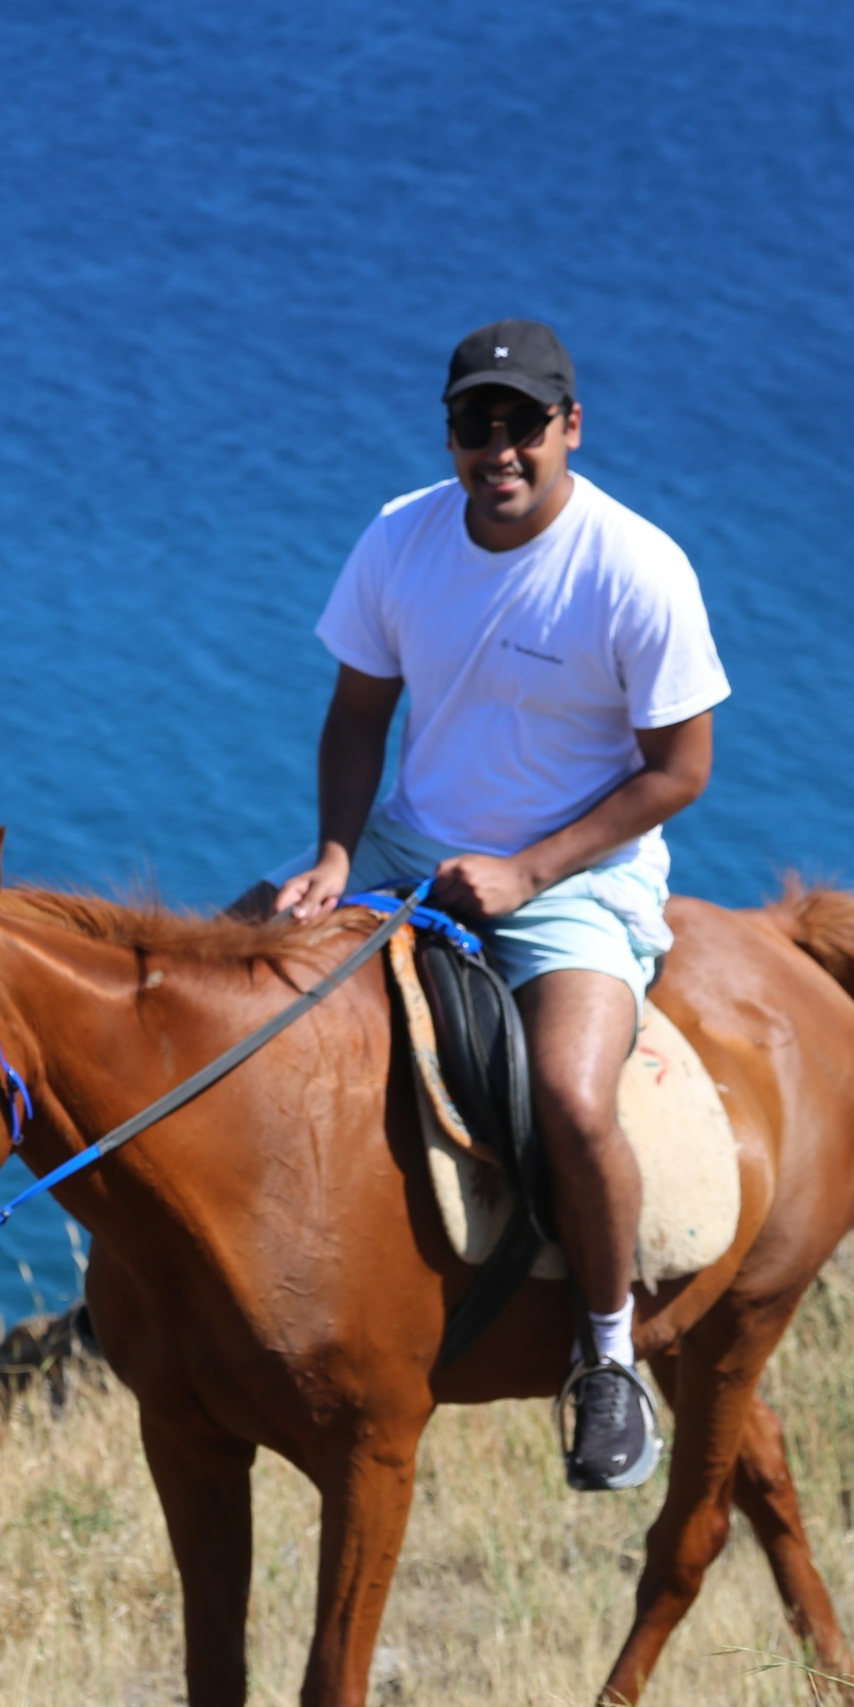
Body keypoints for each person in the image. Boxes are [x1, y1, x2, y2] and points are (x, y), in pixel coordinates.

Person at [235, 319, 729, 1491]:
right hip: (410, 845)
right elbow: (360, 713)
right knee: (227, 984)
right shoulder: (403, 537)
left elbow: (680, 770)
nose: (497, 448)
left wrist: (531, 870)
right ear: (450, 432)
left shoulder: (635, 567)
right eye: (475, 423)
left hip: (580, 881)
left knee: (568, 1091)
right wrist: (335, 853)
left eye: (522, 424)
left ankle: (606, 1361)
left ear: (571, 426)